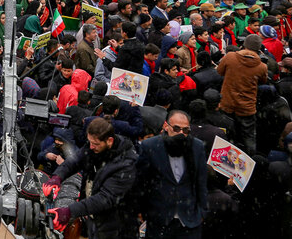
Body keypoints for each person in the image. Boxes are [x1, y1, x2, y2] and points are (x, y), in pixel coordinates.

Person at [44, 117, 138, 239]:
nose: (91, 147)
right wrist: (57, 177)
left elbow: (105, 198)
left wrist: (69, 211)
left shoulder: (126, 164)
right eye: (90, 142)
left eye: (95, 144)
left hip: (115, 224)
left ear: (109, 140)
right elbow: (75, 161)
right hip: (95, 217)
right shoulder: (94, 147)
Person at [136, 110, 209, 239]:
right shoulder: (150, 146)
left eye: (185, 130)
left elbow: (201, 181)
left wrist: (202, 212)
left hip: (189, 220)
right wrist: (142, 210)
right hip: (159, 219)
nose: (181, 133)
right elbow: (142, 181)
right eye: (176, 128)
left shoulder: (197, 147)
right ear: (166, 126)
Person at [216, 33, 268, 154]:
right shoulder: (262, 67)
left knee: (226, 138)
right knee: (248, 138)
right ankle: (250, 164)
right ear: (258, 49)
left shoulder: (230, 57)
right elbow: (263, 81)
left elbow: (219, 71)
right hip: (247, 108)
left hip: (227, 104)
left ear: (244, 45)